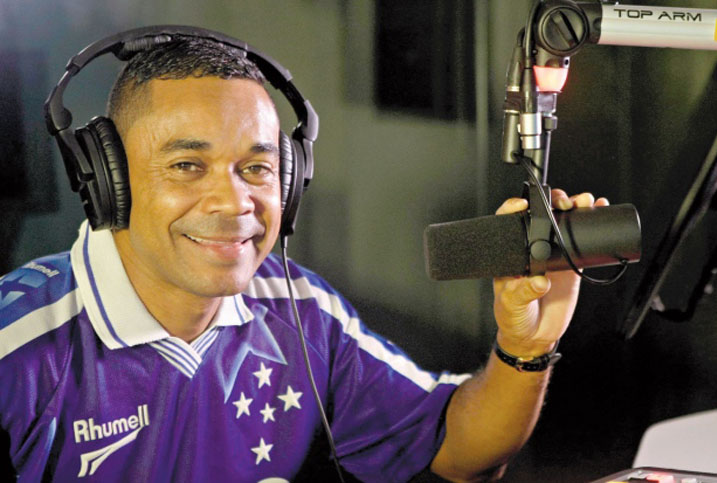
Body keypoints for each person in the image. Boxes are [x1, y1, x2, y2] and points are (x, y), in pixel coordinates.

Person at [0, 29, 608, 482]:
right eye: (187, 165)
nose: (234, 201)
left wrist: (525, 345)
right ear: (109, 181)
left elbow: (456, 449)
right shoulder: (17, 349)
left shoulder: (298, 306)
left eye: (256, 168)